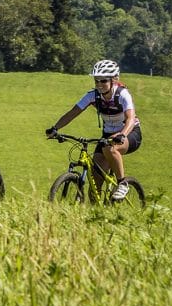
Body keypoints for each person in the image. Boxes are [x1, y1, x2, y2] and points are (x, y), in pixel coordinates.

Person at [46, 59, 142, 201]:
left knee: (111, 149)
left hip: (130, 132)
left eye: (103, 81)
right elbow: (72, 113)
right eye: (96, 81)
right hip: (107, 135)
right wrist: (55, 128)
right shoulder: (93, 95)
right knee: (95, 186)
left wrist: (122, 135)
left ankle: (122, 183)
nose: (99, 84)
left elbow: (130, 119)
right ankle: (97, 214)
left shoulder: (122, 94)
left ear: (113, 80)